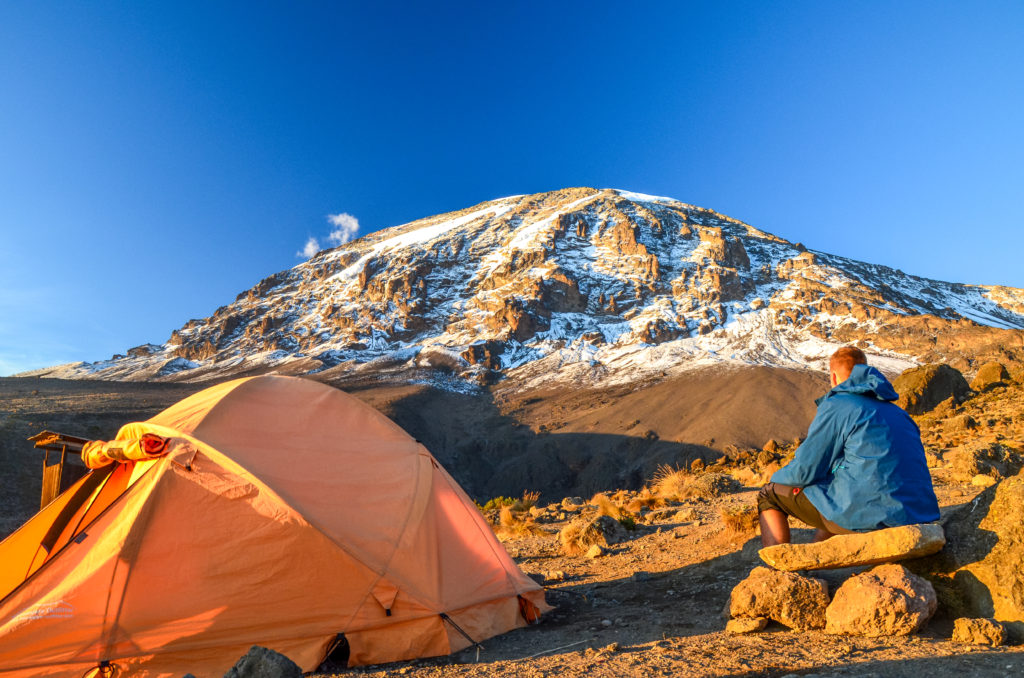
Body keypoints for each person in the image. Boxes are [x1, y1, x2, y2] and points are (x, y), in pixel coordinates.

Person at [758, 346, 940, 547]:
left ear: (833, 377)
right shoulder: (898, 412)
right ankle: (819, 554)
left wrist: (775, 481)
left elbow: (805, 471)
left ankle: (777, 567)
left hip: (870, 514)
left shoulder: (839, 405)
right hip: (918, 513)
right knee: (832, 489)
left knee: (769, 495)